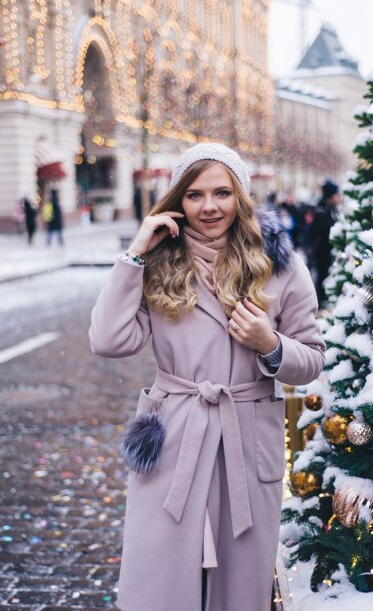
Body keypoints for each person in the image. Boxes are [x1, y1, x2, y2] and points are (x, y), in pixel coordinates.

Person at [89, 142, 325, 611]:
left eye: (222, 193)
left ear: (240, 196)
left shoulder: (279, 265)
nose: (209, 207)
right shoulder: (157, 262)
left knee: (237, 589)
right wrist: (136, 251)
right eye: (195, 195)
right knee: (163, 582)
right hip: (174, 433)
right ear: (178, 200)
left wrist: (270, 344)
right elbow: (109, 340)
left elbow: (313, 358)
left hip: (245, 435)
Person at [312, 178, 342, 306]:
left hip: (327, 250)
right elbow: (323, 231)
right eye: (336, 194)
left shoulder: (331, 209)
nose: (339, 197)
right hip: (323, 251)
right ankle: (321, 300)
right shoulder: (322, 210)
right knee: (322, 275)